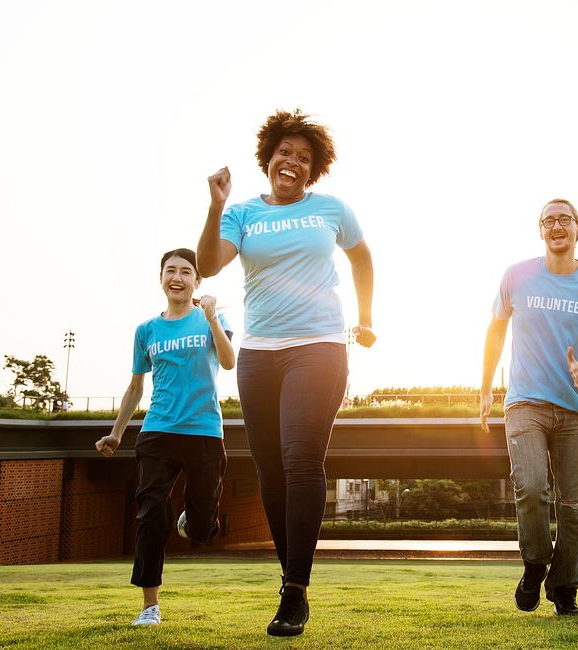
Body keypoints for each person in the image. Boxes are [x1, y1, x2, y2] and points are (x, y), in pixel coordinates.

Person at [196, 109, 375, 637]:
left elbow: (363, 260)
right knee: (269, 469)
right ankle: (289, 576)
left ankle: (294, 590)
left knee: (301, 459)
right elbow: (209, 265)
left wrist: (365, 317)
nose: (291, 162)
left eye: (303, 157)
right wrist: (215, 207)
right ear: (268, 159)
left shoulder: (331, 209)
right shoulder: (243, 214)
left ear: (313, 169)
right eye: (284, 153)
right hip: (258, 352)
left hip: (318, 345)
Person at [480, 199, 578, 617]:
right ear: (540, 230)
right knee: (530, 486)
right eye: (548, 220)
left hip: (576, 410)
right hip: (524, 402)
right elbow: (494, 331)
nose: (556, 225)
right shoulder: (517, 275)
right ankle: (535, 563)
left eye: (564, 219)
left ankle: (564, 590)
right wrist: (485, 388)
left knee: (574, 506)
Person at [95, 248, 235, 627]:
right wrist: (116, 433)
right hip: (157, 431)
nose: (177, 276)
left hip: (204, 431)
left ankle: (196, 516)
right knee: (151, 514)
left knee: (204, 529)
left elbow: (228, 361)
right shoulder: (147, 331)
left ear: (197, 281)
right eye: (170, 270)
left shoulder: (211, 318)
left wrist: (211, 318)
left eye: (185, 271)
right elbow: (135, 387)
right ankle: (149, 606)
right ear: (161, 278)